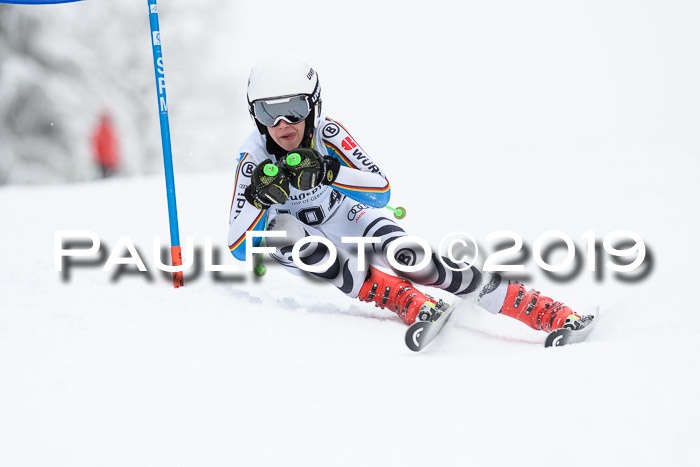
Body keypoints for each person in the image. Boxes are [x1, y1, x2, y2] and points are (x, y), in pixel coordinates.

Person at [228, 53, 592, 333]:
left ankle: (533, 306)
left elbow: (380, 191)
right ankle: (399, 297)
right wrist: (261, 200)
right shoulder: (254, 159)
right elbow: (239, 246)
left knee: (410, 259)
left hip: (347, 215)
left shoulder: (328, 134)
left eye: (294, 109)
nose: (283, 125)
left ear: (314, 105)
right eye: (268, 112)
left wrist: (329, 171)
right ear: (255, 115)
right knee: (290, 237)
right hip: (304, 237)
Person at [91, 112, 120, 178]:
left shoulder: (110, 131)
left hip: (110, 160)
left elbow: (114, 146)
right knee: (105, 177)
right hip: (103, 160)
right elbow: (97, 146)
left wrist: (115, 158)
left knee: (110, 177)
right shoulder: (100, 132)